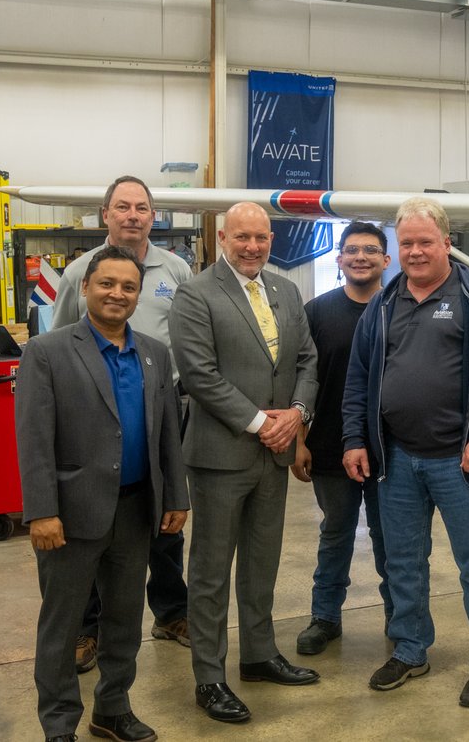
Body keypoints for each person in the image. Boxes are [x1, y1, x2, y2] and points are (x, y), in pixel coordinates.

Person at [341, 196, 469, 709]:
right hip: (395, 458)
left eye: (425, 241)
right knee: (402, 560)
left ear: (447, 243)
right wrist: (355, 439)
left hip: (461, 460)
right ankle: (411, 648)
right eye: (407, 244)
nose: (416, 252)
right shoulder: (382, 304)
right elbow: (359, 380)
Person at [16, 245, 190, 742]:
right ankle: (58, 725)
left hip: (136, 510)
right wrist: (42, 512)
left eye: (128, 286)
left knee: (123, 618)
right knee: (63, 625)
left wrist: (176, 496)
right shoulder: (47, 352)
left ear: (139, 296)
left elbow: (166, 437)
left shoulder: (155, 355)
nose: (117, 293)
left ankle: (112, 709)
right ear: (86, 287)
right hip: (71, 515)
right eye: (107, 284)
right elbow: (32, 439)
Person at [169, 202, 319, 724]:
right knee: (210, 572)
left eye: (261, 237)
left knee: (262, 562)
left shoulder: (285, 290)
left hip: (274, 456)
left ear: (272, 239)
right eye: (242, 237)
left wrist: (297, 415)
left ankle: (258, 654)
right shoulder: (196, 294)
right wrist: (263, 424)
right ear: (223, 237)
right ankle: (209, 677)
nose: (252, 246)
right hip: (222, 456)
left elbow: (307, 360)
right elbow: (199, 375)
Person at [53, 175, 194, 672]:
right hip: (94, 413)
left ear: (153, 216)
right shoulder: (77, 273)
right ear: (105, 215)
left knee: (163, 518)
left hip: (159, 410)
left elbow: (187, 340)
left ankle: (171, 612)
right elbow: (61, 341)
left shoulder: (176, 269)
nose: (132, 215)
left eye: (141, 208)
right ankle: (88, 630)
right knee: (92, 521)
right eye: (122, 207)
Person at [292, 221, 393, 655]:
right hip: (331, 446)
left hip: (393, 449)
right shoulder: (317, 312)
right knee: (336, 534)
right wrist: (299, 440)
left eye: (370, 250)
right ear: (339, 259)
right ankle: (325, 617)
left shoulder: (400, 308)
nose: (360, 257)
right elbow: (303, 379)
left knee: (393, 541)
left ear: (385, 260)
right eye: (351, 250)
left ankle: (401, 617)